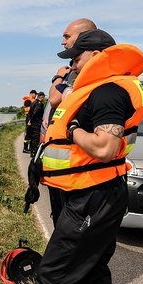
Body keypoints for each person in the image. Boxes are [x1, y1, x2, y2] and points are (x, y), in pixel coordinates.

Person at [11, 29, 143, 284]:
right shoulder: (101, 89)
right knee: (91, 270)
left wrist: (72, 130)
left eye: (75, 58)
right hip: (95, 194)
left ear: (97, 54)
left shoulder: (108, 91)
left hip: (92, 196)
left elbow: (104, 147)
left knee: (53, 276)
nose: (71, 65)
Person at [44, 19, 97, 221]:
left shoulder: (79, 73)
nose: (62, 41)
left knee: (71, 229)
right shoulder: (76, 68)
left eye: (67, 36)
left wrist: (58, 77)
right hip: (66, 169)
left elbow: (55, 98)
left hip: (77, 170)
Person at [26, 91, 47, 159]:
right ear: (41, 97)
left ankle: (32, 152)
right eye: (43, 97)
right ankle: (34, 152)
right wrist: (31, 120)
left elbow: (30, 113)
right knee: (36, 138)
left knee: (32, 138)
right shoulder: (39, 104)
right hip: (36, 123)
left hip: (33, 123)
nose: (44, 98)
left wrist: (30, 121)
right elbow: (35, 113)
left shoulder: (34, 103)